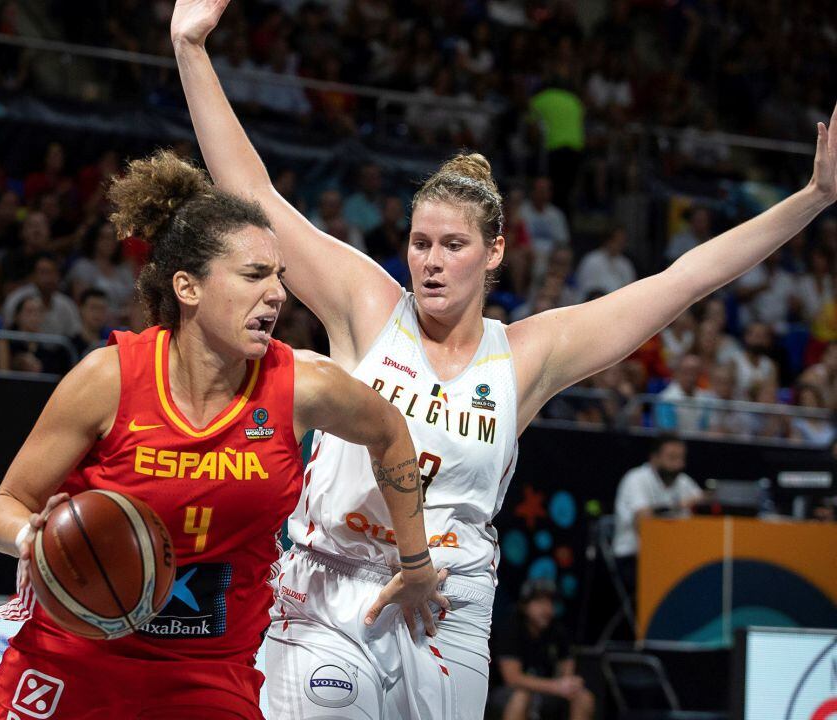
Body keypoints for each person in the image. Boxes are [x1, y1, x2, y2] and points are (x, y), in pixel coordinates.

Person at [171, 3, 837, 715]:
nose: (430, 262)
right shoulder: (369, 306)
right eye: (420, 243)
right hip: (330, 588)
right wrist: (190, 49)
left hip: (447, 609)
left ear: (493, 252)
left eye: (452, 246)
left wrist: (814, 197)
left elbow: (682, 282)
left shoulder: (527, 356)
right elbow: (254, 197)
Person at [0, 150, 442, 719]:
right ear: (187, 288)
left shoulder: (303, 385)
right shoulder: (109, 379)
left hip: (209, 671)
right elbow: (5, 506)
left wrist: (416, 562)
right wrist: (33, 541)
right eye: (254, 276)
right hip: (73, 653)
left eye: (279, 278)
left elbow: (391, 433)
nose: (276, 294)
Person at [489, 580, 594, 720]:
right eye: (539, 602)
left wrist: (569, 684)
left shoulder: (557, 630)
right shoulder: (511, 628)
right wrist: (556, 686)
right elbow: (512, 678)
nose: (546, 608)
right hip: (507, 693)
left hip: (547, 692)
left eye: (550, 602)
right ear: (525, 605)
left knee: (583, 697)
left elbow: (566, 670)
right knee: (522, 696)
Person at [612, 435, 703, 595]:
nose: (678, 464)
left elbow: (702, 500)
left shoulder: (683, 481)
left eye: (681, 458)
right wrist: (677, 506)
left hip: (673, 558)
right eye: (672, 457)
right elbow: (643, 523)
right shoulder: (636, 479)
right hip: (633, 557)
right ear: (654, 458)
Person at [0, 253, 81, 337]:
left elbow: (75, 335)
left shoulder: (66, 304)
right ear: (33, 275)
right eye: (43, 272)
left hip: (56, 349)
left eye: (52, 272)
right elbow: (5, 330)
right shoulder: (16, 299)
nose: (48, 278)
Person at [0, 294, 69, 375]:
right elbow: (3, 375)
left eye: (39, 312)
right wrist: (17, 364)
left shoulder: (48, 346)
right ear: (17, 316)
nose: (35, 316)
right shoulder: (6, 341)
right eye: (29, 311)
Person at [575, 226, 636, 297]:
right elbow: (586, 290)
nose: (621, 244)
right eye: (617, 240)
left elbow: (631, 289)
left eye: (623, 241)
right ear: (608, 240)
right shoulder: (592, 260)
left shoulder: (625, 263)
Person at [70, 287, 109, 358]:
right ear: (81, 309)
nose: (98, 313)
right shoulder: (70, 346)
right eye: (93, 308)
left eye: (102, 309)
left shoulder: (111, 345)